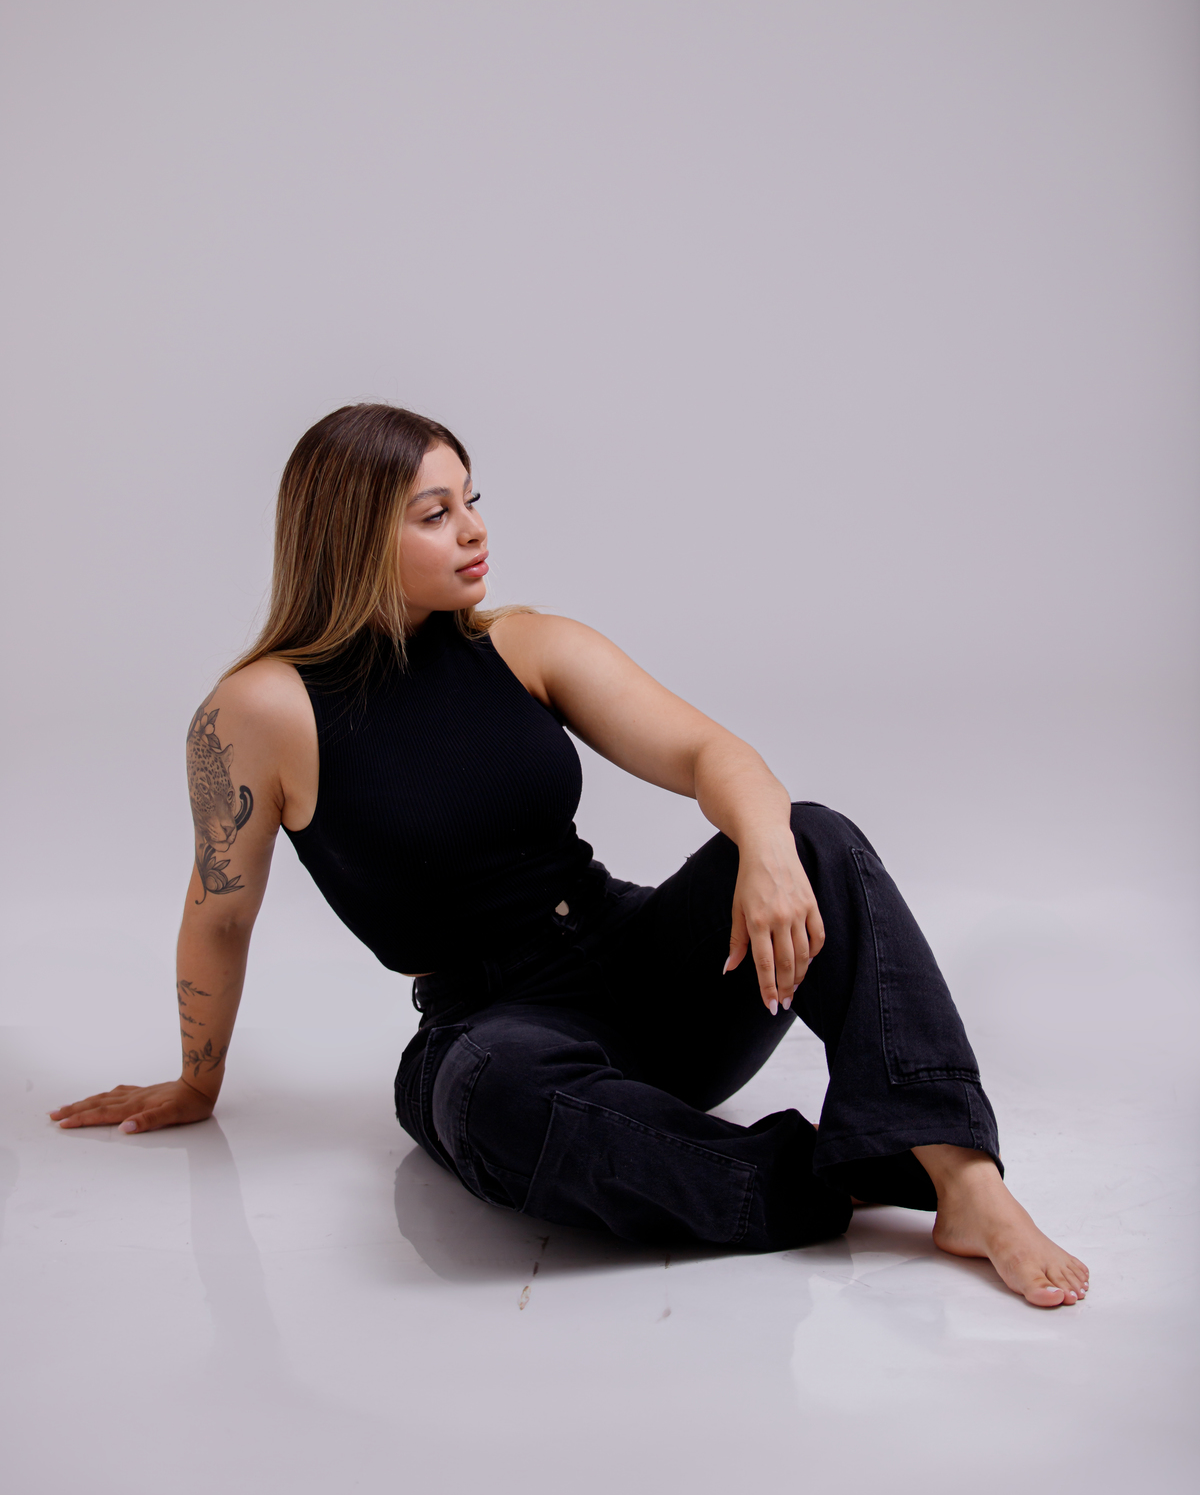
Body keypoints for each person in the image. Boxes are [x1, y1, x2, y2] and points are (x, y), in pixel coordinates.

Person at [51, 403, 1089, 1307]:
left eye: (471, 500)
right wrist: (196, 1084)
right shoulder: (260, 710)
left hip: (655, 975)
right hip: (496, 1026)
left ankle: (965, 1183)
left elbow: (710, 754)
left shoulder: (524, 644)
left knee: (816, 834)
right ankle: (827, 1178)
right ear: (350, 535)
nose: (475, 529)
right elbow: (221, 912)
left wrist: (768, 845)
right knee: (489, 1093)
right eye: (434, 513)